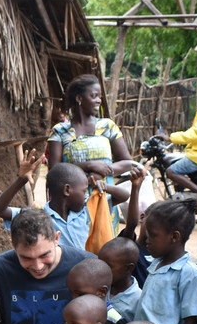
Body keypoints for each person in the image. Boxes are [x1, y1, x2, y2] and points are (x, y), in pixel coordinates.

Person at [47, 74, 144, 248]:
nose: (99, 100)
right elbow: (54, 170)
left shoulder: (107, 126)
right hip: (71, 203)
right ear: (79, 98)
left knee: (103, 245)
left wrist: (105, 170)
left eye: (100, 96)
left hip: (104, 198)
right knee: (73, 246)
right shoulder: (61, 131)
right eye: (94, 96)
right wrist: (88, 165)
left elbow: (128, 162)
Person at [0, 160, 92, 251]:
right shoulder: (38, 217)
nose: (86, 195)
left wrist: (106, 187)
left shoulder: (86, 211)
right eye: (84, 191)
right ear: (67, 190)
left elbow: (106, 201)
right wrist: (21, 180)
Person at [65, 256, 126, 324]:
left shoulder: (113, 322)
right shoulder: (74, 311)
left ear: (102, 292)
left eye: (81, 294)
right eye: (71, 292)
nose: (74, 298)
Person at [98, 236, 142, 321]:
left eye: (108, 266)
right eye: (100, 263)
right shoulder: (99, 287)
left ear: (128, 268)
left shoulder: (138, 301)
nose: (102, 269)